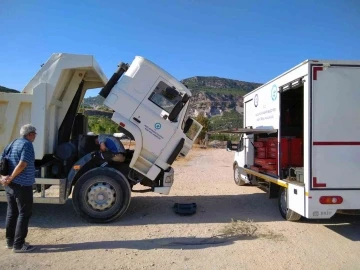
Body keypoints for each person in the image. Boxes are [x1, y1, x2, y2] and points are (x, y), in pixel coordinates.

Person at [0, 124, 37, 253]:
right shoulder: (27, 144)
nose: (35, 137)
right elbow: (22, 164)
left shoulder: (13, 142)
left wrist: (3, 177)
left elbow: (2, 160)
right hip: (22, 185)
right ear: (30, 134)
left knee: (12, 212)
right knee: (24, 213)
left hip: (10, 186)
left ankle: (10, 242)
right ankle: (19, 245)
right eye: (35, 134)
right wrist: (11, 177)